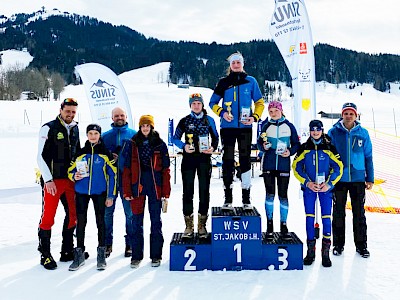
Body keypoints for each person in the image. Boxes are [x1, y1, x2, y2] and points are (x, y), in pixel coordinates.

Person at [209, 51, 265, 210]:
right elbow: (212, 103)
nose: (236, 65)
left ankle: (246, 198)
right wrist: (222, 113)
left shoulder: (251, 81)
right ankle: (227, 197)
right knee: (227, 160)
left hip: (245, 128)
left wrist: (255, 117)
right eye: (233, 63)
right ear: (230, 65)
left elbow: (260, 102)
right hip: (227, 128)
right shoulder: (223, 82)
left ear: (242, 64)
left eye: (238, 62)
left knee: (245, 159)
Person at [36, 98, 80, 270]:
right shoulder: (48, 127)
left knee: (72, 215)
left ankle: (67, 250)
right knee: (48, 217)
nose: (70, 115)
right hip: (52, 181)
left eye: (73, 112)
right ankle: (45, 254)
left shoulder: (75, 128)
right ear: (61, 109)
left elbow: (78, 152)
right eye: (67, 111)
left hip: (70, 180)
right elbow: (39, 156)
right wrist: (47, 179)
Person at [292, 120, 343, 267]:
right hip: (310, 189)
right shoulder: (304, 148)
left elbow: (339, 167)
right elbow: (296, 167)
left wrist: (329, 183)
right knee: (310, 218)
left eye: (318, 130)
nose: (315, 132)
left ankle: (325, 254)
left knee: (326, 219)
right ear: (309, 131)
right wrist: (307, 182)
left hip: (325, 190)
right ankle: (310, 252)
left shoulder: (329, 148)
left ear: (322, 130)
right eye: (312, 130)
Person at [122, 115, 171, 268]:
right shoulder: (132, 144)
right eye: (143, 126)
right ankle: (136, 256)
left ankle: (156, 256)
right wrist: (127, 191)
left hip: (155, 186)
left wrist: (166, 192)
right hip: (138, 186)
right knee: (136, 221)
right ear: (139, 127)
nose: (145, 128)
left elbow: (165, 170)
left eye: (147, 126)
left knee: (156, 221)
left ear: (152, 127)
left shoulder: (159, 144)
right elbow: (126, 170)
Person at [67, 124, 117, 271]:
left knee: (101, 222)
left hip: (100, 193)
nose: (93, 136)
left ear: (99, 135)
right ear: (87, 135)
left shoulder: (105, 154)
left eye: (96, 133)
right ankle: (79, 253)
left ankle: (101, 253)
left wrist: (111, 195)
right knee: (81, 222)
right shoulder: (81, 153)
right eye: (90, 133)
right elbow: (71, 170)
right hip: (81, 192)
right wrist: (73, 176)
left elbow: (113, 175)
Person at [328, 102, 374, 258]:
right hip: (339, 179)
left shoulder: (363, 133)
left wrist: (370, 178)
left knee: (359, 213)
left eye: (351, 113)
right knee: (338, 213)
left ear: (356, 115)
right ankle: (338, 245)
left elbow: (368, 157)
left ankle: (361, 246)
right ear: (342, 115)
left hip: (358, 179)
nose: (348, 116)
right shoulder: (333, 132)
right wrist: (329, 178)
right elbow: (328, 157)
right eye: (346, 113)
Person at [172, 93, 219, 239]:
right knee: (187, 191)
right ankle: (188, 225)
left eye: (199, 103)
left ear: (202, 105)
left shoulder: (209, 120)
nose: (196, 106)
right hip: (189, 160)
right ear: (190, 106)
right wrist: (184, 146)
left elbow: (216, 138)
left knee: (204, 191)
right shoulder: (185, 121)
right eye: (193, 104)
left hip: (204, 159)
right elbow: (174, 138)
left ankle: (202, 225)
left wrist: (212, 148)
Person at [257, 101, 300, 238]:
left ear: (281, 111)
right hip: (268, 165)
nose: (273, 113)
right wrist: (263, 146)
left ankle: (283, 224)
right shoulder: (266, 125)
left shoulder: (289, 126)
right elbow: (259, 143)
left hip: (283, 164)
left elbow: (296, 144)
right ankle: (269, 224)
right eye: (271, 111)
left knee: (283, 195)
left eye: (276, 111)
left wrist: (290, 152)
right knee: (269, 194)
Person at [102, 107, 137, 258]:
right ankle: (107, 243)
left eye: (122, 115)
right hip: (109, 182)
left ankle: (129, 243)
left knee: (129, 214)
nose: (119, 118)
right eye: (116, 115)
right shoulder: (104, 136)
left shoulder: (134, 134)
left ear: (126, 116)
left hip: (126, 181)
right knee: (107, 214)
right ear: (112, 118)